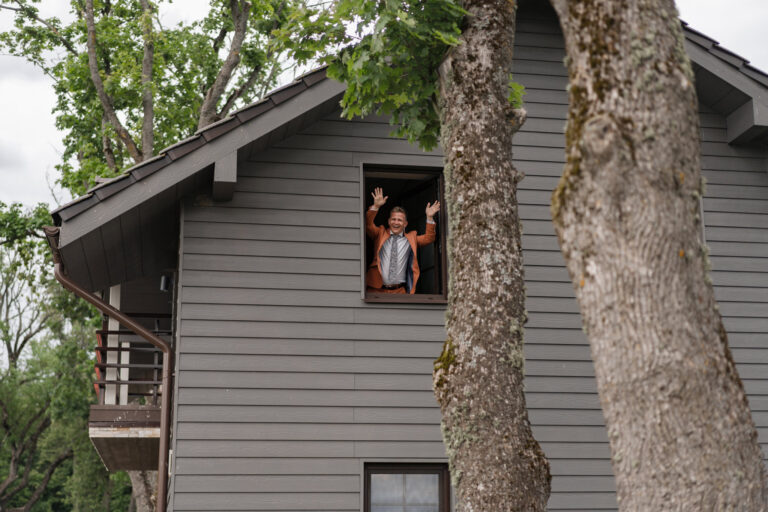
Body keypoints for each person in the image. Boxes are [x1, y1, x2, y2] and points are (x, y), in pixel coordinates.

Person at [365, 187, 441, 294]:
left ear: (405, 224)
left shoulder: (411, 238)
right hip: (376, 289)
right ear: (389, 221)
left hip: (399, 291)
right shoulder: (380, 233)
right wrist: (376, 206)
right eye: (393, 219)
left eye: (399, 220)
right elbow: (368, 224)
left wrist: (429, 217)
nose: (396, 222)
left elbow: (429, 238)